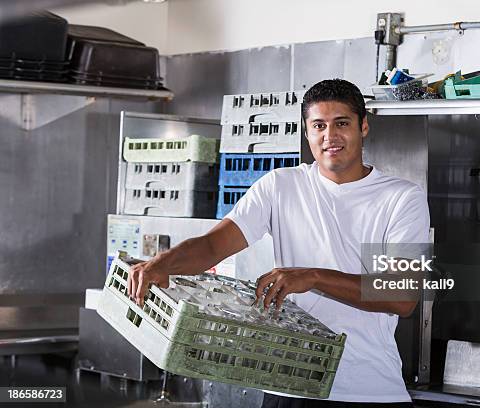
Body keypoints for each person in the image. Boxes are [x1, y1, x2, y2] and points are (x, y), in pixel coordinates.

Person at [128, 79, 430, 408]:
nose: (330, 136)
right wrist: (163, 263)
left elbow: (401, 296)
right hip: (288, 386)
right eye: (319, 126)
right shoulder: (281, 186)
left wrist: (313, 277)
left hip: (366, 390)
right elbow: (215, 245)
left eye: (341, 123)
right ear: (306, 131)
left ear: (364, 126)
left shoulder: (401, 198)